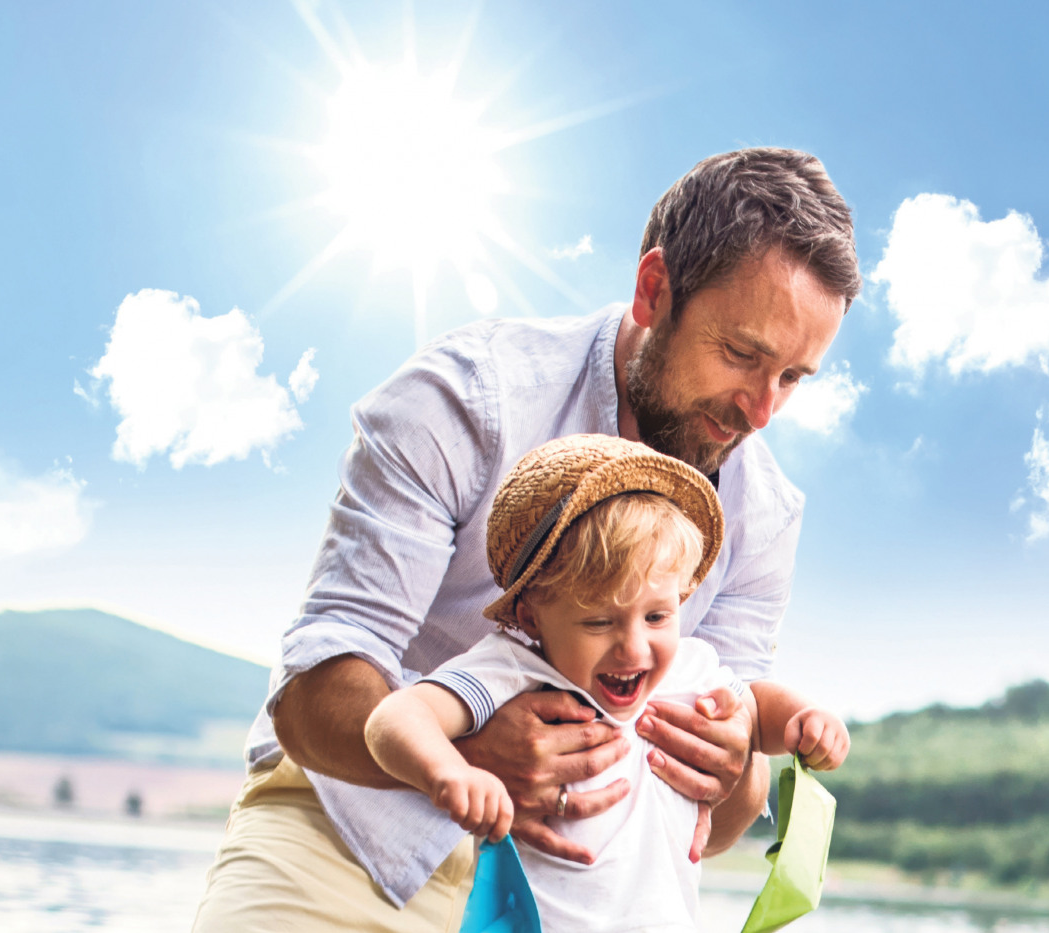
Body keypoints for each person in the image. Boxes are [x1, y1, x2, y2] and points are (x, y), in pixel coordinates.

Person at [192, 147, 862, 932]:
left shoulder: (765, 512)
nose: (760, 411)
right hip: (349, 836)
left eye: (793, 378)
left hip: (568, 901)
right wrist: (466, 760)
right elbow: (310, 694)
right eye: (742, 355)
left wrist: (733, 764)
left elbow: (729, 808)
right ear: (655, 290)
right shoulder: (467, 398)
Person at [366, 434, 850, 932]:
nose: (634, 649)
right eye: (599, 623)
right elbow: (396, 717)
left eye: (659, 616)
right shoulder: (514, 670)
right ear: (530, 616)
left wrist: (803, 719)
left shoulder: (689, 668)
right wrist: (448, 770)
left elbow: (755, 708)